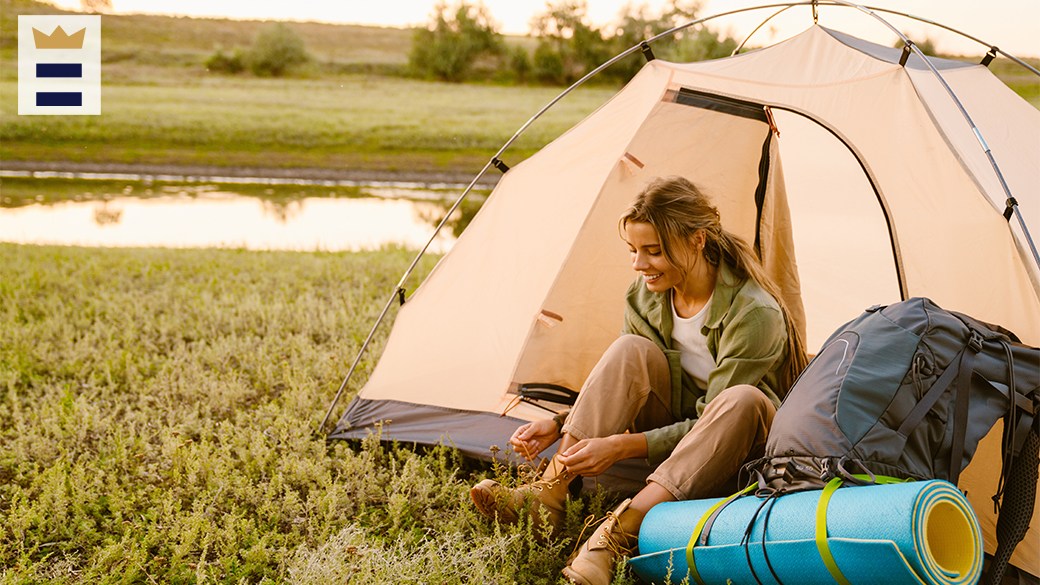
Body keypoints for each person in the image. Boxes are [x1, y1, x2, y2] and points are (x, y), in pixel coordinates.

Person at [469, 176, 809, 585]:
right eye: (634, 250)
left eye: (654, 251)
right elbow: (624, 379)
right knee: (630, 349)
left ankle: (614, 540)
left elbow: (711, 420)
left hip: (735, 449)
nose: (639, 264)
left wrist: (621, 445)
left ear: (698, 241)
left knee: (742, 398)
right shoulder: (644, 296)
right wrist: (561, 423)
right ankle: (550, 493)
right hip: (672, 440)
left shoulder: (754, 313)